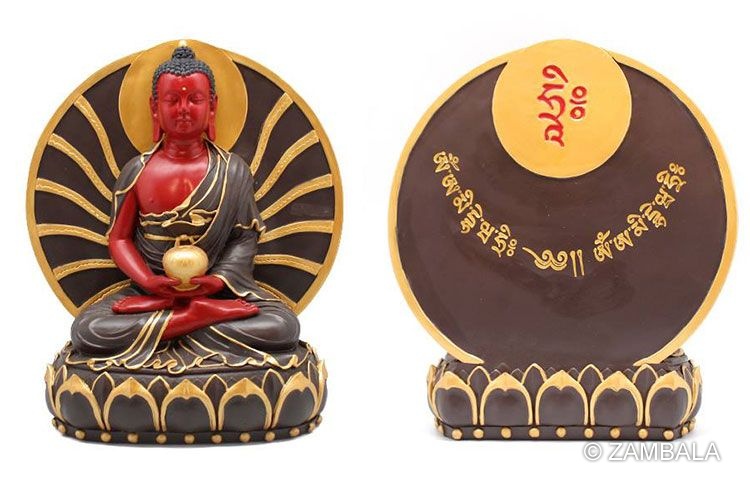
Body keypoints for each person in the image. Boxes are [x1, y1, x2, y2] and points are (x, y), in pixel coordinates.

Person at [67, 46, 300, 373]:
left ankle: (183, 320)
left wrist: (217, 281)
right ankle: (194, 318)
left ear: (212, 106)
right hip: (151, 293)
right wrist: (148, 281)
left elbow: (243, 238)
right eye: (172, 100)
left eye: (195, 99)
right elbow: (119, 239)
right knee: (88, 329)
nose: (184, 109)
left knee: (282, 326)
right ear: (155, 108)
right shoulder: (136, 171)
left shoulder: (233, 170)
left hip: (215, 294)